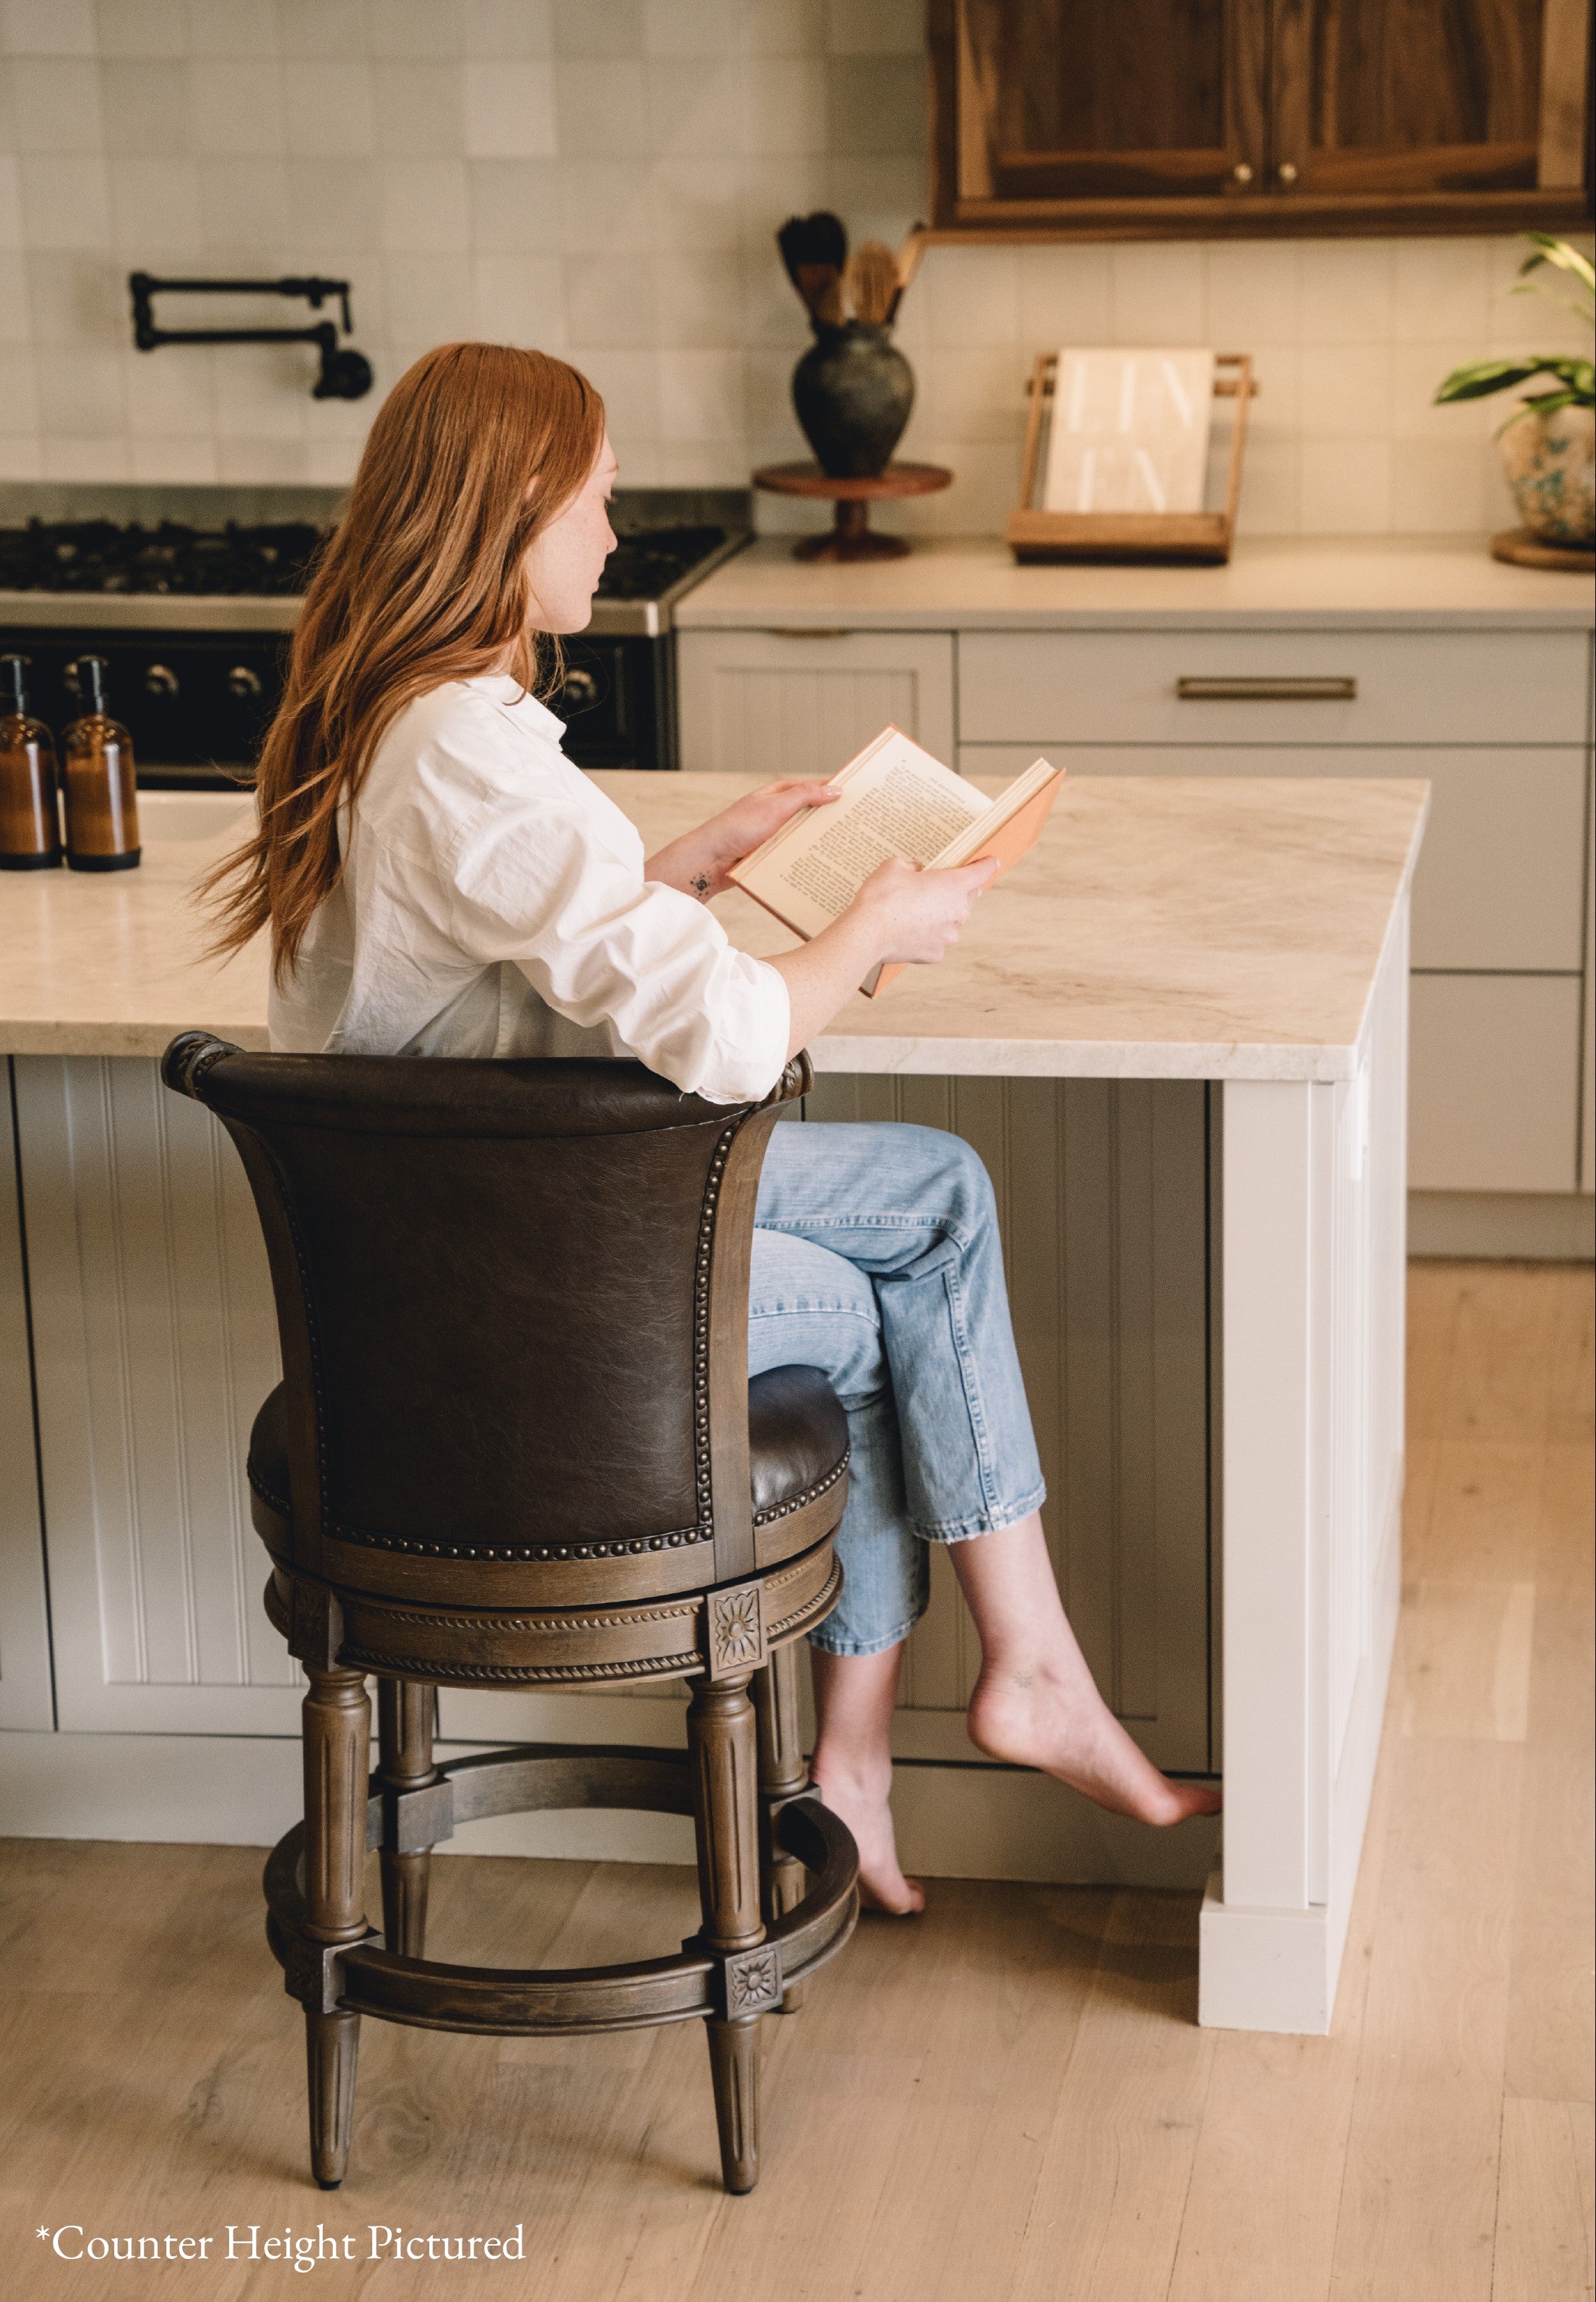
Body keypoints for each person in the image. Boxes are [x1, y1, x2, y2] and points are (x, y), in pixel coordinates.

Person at [206, 343, 1220, 1916]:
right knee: (898, 1299)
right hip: (527, 1307)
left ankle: (956, 1713)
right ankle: (950, 1714)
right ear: (518, 507)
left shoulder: (412, 724)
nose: (613, 535)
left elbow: (507, 963)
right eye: (600, 500)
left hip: (471, 1249)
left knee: (935, 1192)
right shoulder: (473, 760)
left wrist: (685, 864)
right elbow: (735, 1038)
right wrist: (875, 914)